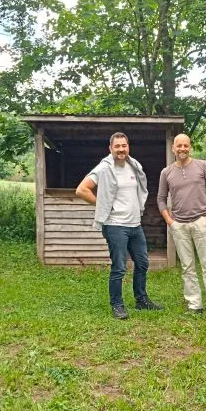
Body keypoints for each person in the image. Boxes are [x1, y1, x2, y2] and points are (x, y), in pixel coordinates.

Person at [75, 132, 163, 319]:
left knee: (142, 263)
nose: (121, 149)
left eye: (124, 146)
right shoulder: (104, 168)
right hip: (115, 226)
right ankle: (117, 305)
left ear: (128, 147)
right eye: (117, 146)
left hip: (135, 225)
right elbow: (81, 190)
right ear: (110, 148)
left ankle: (141, 300)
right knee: (119, 267)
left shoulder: (133, 166)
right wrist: (104, 205)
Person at [157, 133, 206, 315]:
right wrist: (170, 222)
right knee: (187, 267)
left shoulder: (203, 166)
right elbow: (161, 199)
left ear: (190, 147)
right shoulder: (166, 172)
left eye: (186, 145)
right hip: (180, 226)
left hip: (201, 222)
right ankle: (195, 305)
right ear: (173, 148)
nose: (182, 149)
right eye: (179, 146)